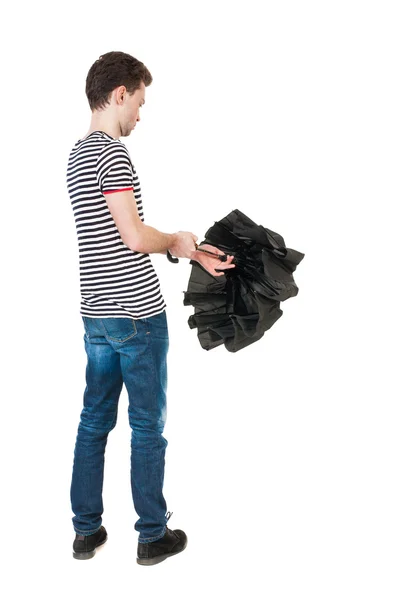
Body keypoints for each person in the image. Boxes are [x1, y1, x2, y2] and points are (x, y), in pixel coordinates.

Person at [65, 51, 236, 565]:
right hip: (137, 316)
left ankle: (86, 532)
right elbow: (134, 236)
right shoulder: (111, 154)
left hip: (96, 314)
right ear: (120, 94)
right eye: (139, 102)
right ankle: (151, 535)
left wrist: (179, 246)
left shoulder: (76, 153)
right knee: (146, 426)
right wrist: (180, 244)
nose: (140, 114)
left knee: (94, 421)